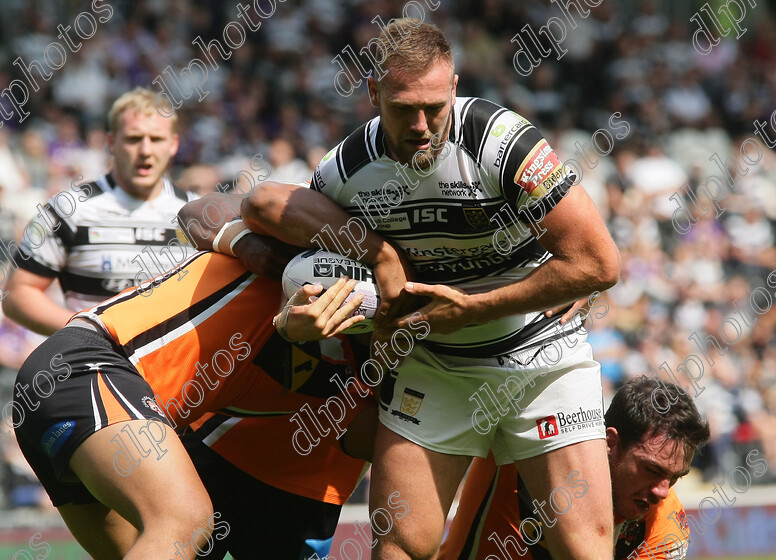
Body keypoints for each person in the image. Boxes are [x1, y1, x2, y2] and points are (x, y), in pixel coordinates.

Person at [240, 20, 621, 560]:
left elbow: (599, 263)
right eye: (402, 108)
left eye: (434, 106)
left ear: (455, 87)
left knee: (585, 551)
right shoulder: (347, 168)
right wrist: (380, 254)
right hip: (433, 367)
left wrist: (473, 309)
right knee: (398, 547)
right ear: (372, 94)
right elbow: (263, 205)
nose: (421, 125)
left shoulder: (502, 142)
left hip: (543, 360)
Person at [14, 249, 374, 558]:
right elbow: (250, 204)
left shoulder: (328, 367)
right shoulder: (267, 260)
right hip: (90, 363)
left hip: (56, 389)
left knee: (156, 544)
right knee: (186, 520)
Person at [438, 375, 710, 560]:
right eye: (651, 470)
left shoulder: (666, 523)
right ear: (610, 443)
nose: (662, 492)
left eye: (674, 478)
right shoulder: (527, 449)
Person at [1, 87, 196, 334]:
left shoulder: (197, 214)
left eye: (156, 139)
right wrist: (92, 335)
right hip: (95, 367)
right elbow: (16, 294)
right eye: (134, 139)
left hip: (174, 369)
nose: (145, 151)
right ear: (112, 143)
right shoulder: (67, 210)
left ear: (173, 144)